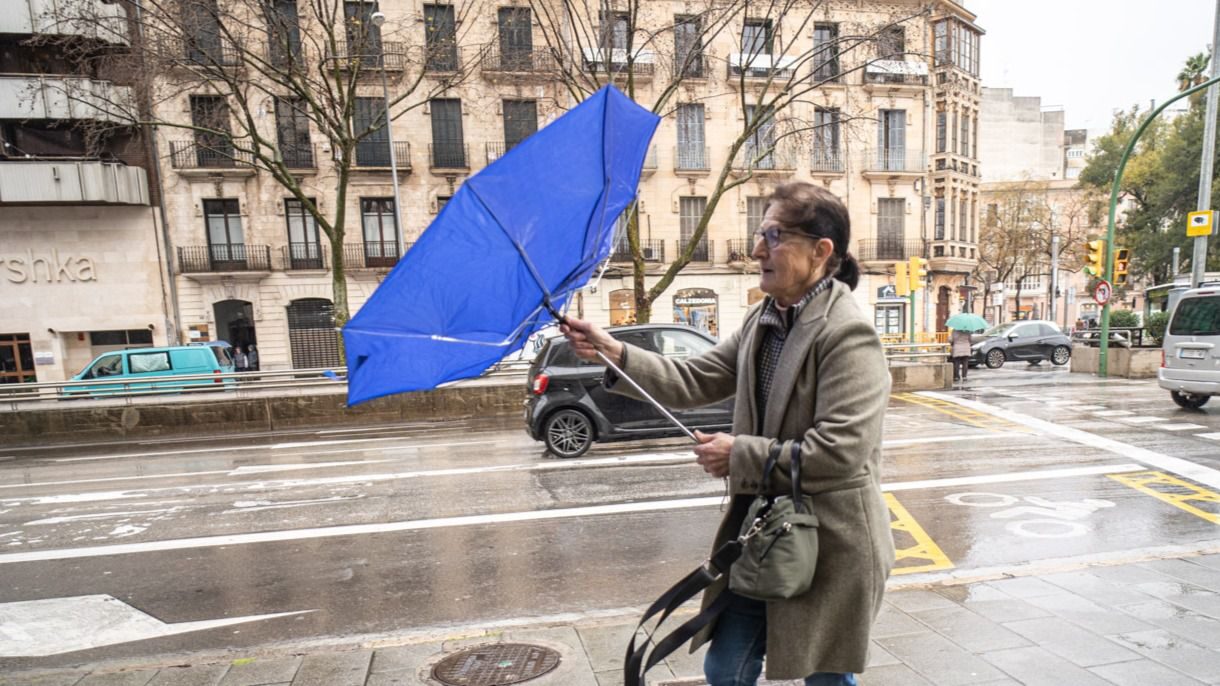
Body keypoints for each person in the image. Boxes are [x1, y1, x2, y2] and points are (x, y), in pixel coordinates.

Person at [562, 182, 893, 686]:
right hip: (764, 533)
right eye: (761, 233)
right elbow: (696, 377)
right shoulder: (764, 318)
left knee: (825, 675)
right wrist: (615, 352)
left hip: (830, 544)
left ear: (821, 251)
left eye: (776, 236)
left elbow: (843, 451)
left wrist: (741, 454)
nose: (757, 249)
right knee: (726, 666)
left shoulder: (847, 333)